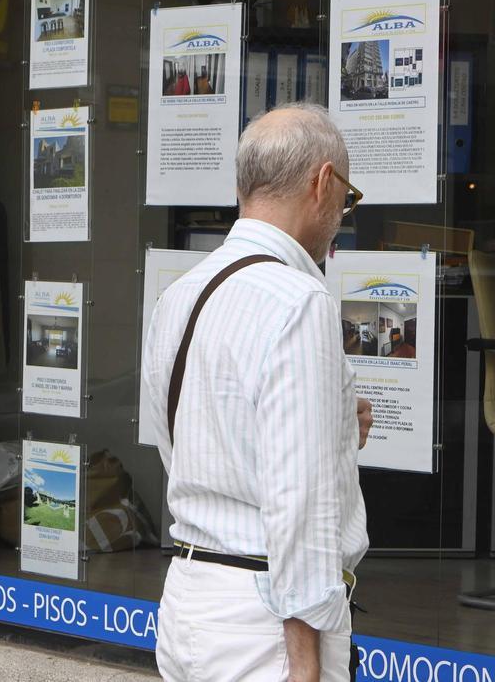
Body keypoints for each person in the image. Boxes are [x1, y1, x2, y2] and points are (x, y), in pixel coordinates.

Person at [143, 102, 371, 682]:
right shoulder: (300, 302)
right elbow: (303, 505)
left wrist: (337, 432)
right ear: (324, 184)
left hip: (187, 602)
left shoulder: (179, 295)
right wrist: (304, 665)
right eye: (347, 198)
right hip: (264, 625)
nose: (342, 214)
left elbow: (188, 450)